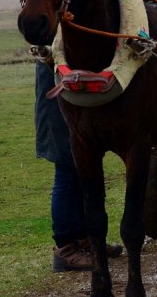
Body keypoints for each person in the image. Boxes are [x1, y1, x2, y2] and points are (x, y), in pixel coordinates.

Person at [34, 61, 123, 272]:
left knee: (79, 174)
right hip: (58, 110)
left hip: (71, 106)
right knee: (66, 174)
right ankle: (65, 249)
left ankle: (85, 240)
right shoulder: (53, 49)